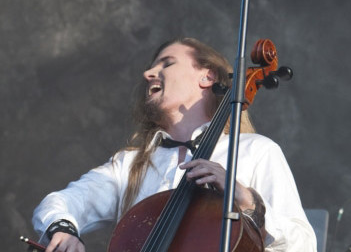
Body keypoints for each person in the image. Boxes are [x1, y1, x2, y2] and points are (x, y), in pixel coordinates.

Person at [32, 37, 316, 252]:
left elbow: (303, 244)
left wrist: (247, 201)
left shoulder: (256, 151)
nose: (148, 74)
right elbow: (62, 202)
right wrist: (64, 229)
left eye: (167, 63)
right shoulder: (130, 165)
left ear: (207, 76)